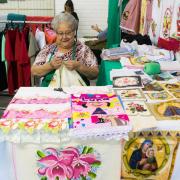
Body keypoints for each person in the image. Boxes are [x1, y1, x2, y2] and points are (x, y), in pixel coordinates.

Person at [31, 12, 99, 87]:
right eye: (60, 33)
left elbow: (95, 73)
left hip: (76, 96)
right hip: (51, 96)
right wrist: (50, 66)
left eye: (68, 33)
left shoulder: (83, 50)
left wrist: (79, 66)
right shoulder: (48, 49)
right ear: (56, 33)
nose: (64, 37)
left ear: (74, 32)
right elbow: (34, 71)